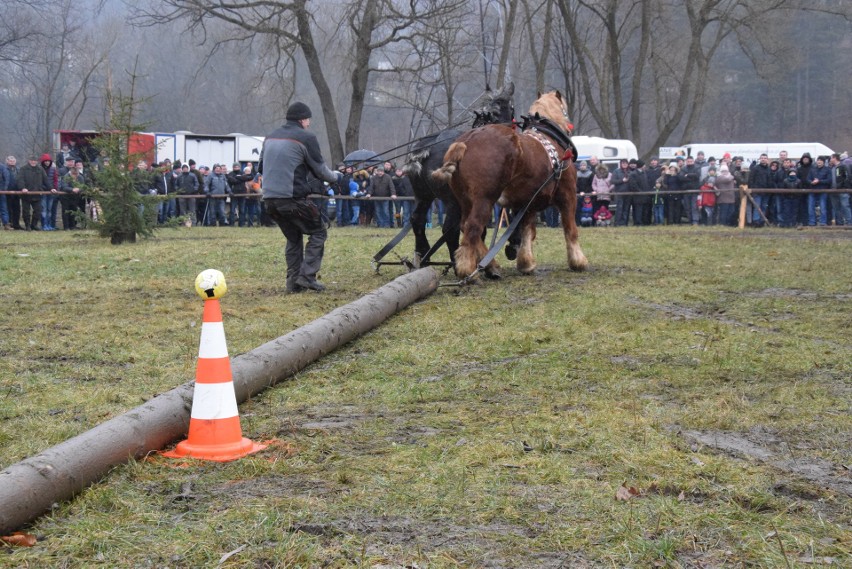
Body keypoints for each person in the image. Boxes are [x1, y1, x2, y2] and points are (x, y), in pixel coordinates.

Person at [260, 101, 342, 293]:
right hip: (293, 200)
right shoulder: (306, 137)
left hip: (270, 200)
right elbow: (321, 170)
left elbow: (261, 167)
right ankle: (306, 276)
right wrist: (337, 177)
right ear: (303, 119)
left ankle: (293, 284)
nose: (309, 123)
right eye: (308, 120)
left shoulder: (270, 137)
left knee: (293, 237)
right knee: (318, 232)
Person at [805, 156, 830, 226]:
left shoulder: (827, 170)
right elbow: (808, 179)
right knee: (810, 207)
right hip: (812, 190)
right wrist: (811, 182)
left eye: (820, 160)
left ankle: (823, 222)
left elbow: (829, 180)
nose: (819, 162)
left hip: (822, 190)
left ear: (823, 162)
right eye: (818, 160)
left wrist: (819, 181)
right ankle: (812, 222)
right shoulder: (812, 170)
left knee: (823, 207)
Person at [678, 156, 702, 225]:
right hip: (686, 190)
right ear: (686, 161)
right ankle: (690, 220)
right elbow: (681, 177)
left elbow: (697, 175)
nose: (689, 163)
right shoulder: (683, 168)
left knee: (694, 207)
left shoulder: (697, 167)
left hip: (695, 190)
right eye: (688, 161)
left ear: (693, 161)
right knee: (687, 207)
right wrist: (691, 178)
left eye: (691, 161)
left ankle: (695, 221)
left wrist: (687, 175)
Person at [828, 153, 851, 225]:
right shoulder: (832, 168)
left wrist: (843, 186)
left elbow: (847, 177)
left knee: (845, 206)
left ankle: (849, 222)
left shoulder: (843, 167)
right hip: (833, 190)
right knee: (836, 208)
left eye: (831, 158)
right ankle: (839, 223)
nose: (830, 160)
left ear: (834, 158)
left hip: (842, 190)